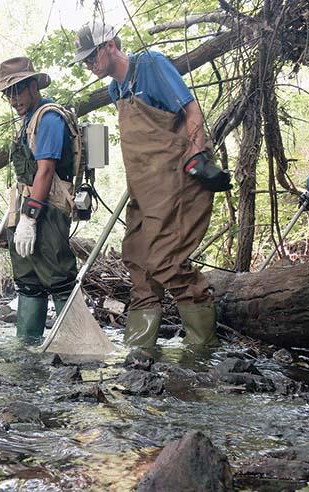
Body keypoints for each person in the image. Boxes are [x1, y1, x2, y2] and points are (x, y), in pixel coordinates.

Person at [72, 22, 220, 348]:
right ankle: (140, 349)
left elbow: (191, 110)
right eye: (83, 60)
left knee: (167, 260)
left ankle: (201, 351)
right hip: (146, 187)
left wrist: (197, 156)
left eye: (90, 56)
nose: (88, 65)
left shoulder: (150, 65)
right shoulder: (116, 90)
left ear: (110, 46)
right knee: (138, 260)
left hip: (179, 179)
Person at [0, 56, 79, 343]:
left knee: (58, 276)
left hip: (48, 208)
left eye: (17, 91)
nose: (13, 100)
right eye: (8, 94)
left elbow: (46, 170)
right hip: (26, 203)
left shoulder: (49, 118)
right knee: (28, 280)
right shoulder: (27, 120)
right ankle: (27, 348)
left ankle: (77, 345)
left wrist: (30, 216)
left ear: (32, 86)